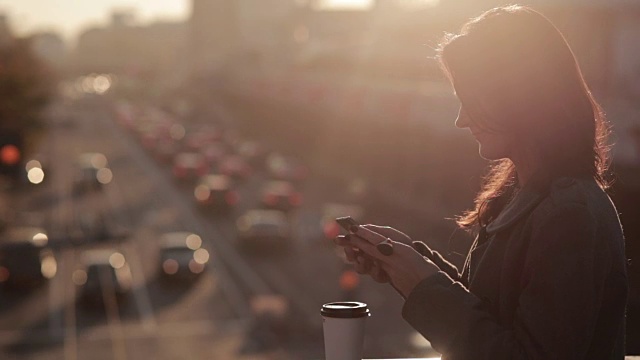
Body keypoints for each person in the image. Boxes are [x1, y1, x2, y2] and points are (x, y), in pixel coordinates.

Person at [333, 5, 628, 359]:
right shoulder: (531, 195)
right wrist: (409, 264)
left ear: (518, 99)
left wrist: (423, 285)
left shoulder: (569, 214)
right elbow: (494, 316)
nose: (461, 120)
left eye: (470, 101)